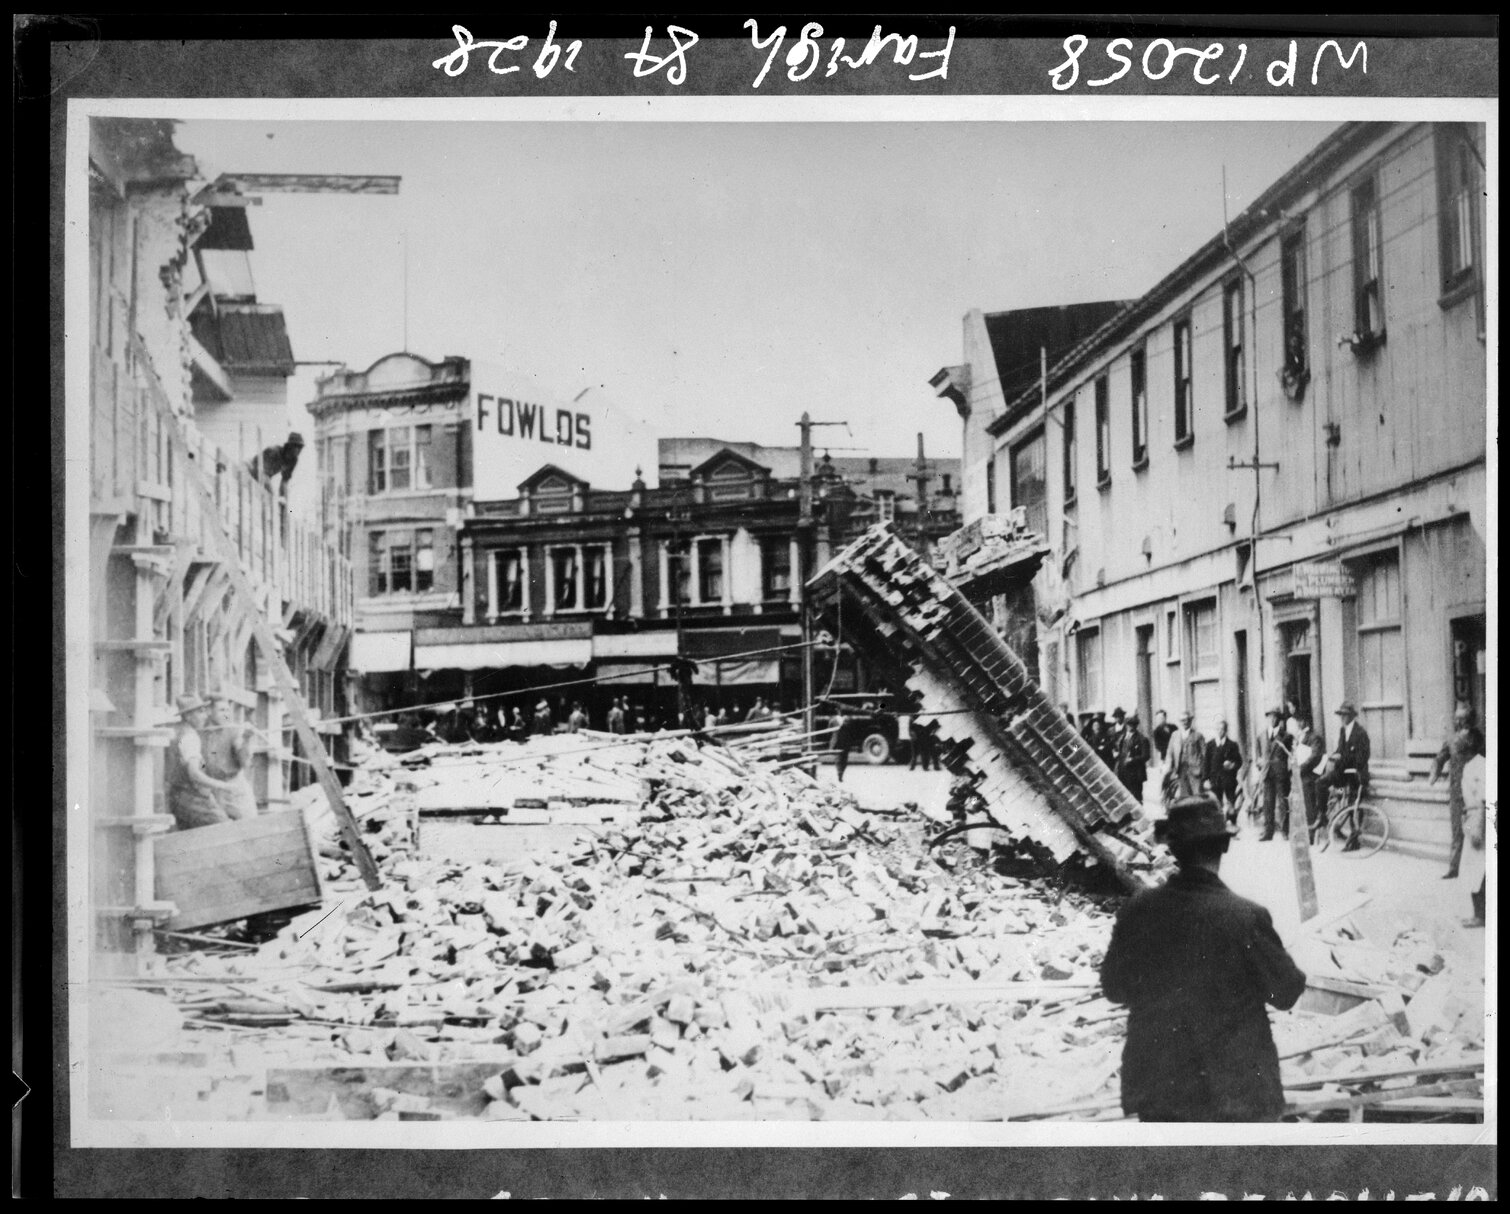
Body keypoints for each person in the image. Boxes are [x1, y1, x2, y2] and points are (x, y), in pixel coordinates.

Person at [1101, 796, 1307, 1121]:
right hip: (1236, 1093)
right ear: (1223, 847)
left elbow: (1114, 988)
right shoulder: (1246, 918)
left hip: (1160, 1089)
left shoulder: (1137, 911)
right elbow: (1286, 992)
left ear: (1173, 849)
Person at [165, 694, 240, 831]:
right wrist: (223, 786)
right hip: (192, 798)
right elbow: (195, 774)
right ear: (188, 716)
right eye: (200, 712)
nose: (205, 716)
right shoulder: (190, 737)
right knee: (227, 829)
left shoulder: (175, 732)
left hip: (175, 798)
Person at [1430, 704, 1486, 880]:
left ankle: (1476, 868)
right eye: (1458, 719)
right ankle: (1454, 868)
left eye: (1462, 718)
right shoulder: (1452, 740)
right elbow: (1440, 758)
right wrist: (1434, 773)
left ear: (1469, 720)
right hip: (1457, 793)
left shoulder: (1478, 739)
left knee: (1476, 828)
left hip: (1475, 791)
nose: (1459, 722)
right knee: (1457, 831)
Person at [1315, 700, 1371, 851]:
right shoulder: (1342, 731)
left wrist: (1343, 757)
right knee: (1320, 783)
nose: (1343, 718)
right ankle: (1322, 816)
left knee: (1354, 805)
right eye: (1341, 715)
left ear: (1352, 716)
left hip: (1356, 774)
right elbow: (1340, 749)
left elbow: (1361, 758)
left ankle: (1354, 840)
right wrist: (1334, 756)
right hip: (1343, 773)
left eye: (1345, 715)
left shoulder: (1360, 734)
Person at [201, 691, 258, 821]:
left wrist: (246, 739)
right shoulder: (200, 732)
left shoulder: (233, 730)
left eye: (228, 710)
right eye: (222, 710)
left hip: (234, 787)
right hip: (213, 789)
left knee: (250, 825)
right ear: (209, 711)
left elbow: (244, 762)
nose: (227, 714)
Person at [1258, 708, 1292, 842]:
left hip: (1280, 773)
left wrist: (1286, 768)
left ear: (1279, 719)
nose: (1272, 719)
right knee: (1267, 803)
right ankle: (1268, 832)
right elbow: (1259, 755)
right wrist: (1260, 764)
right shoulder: (1261, 735)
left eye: (1275, 717)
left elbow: (1291, 754)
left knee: (1283, 803)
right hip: (1267, 773)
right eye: (1270, 717)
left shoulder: (1286, 736)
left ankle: (1285, 831)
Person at [1294, 714, 1325, 841]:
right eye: (1298, 720)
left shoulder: (1314, 737)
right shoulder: (1300, 736)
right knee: (1302, 804)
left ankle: (1311, 834)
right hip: (1302, 774)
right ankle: (1305, 831)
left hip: (1310, 775)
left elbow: (1315, 756)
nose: (1299, 723)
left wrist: (1301, 768)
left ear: (1307, 721)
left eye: (1301, 720)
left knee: (1309, 804)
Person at [1206, 720, 1243, 825]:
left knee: (1231, 804)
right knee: (1216, 804)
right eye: (1218, 729)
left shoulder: (1232, 745)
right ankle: (1219, 827)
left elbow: (1239, 762)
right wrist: (1205, 779)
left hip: (1229, 780)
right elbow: (1206, 764)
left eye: (1222, 729)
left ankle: (1232, 825)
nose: (1219, 731)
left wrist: (1232, 765)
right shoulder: (1210, 745)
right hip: (1215, 780)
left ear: (1226, 731)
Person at [1165, 710, 1207, 802]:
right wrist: (1169, 769)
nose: (1184, 722)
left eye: (1186, 720)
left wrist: (1202, 770)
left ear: (1190, 721)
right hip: (1181, 770)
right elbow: (1170, 753)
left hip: (1195, 770)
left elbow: (1204, 755)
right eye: (1182, 720)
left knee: (1197, 796)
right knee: (1184, 796)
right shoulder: (1175, 735)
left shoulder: (1198, 736)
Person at [1115, 712, 1151, 804]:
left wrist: (1133, 759)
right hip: (1123, 772)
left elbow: (1146, 756)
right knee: (1124, 797)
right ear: (1126, 725)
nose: (1131, 726)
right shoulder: (1121, 737)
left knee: (1136, 798)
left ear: (1136, 725)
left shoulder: (1142, 739)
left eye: (1134, 724)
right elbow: (1118, 750)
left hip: (1135, 774)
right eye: (1129, 724)